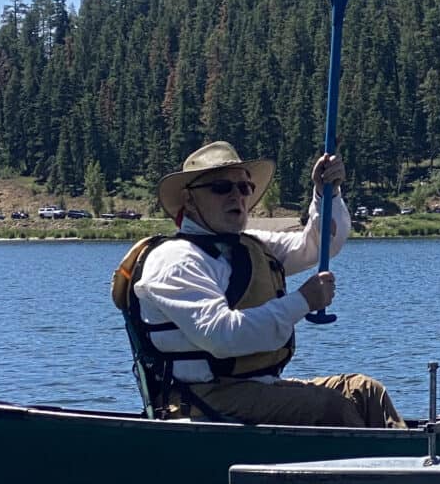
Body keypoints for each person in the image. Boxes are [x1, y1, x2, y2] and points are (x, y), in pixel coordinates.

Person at [129, 140, 402, 427]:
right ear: (188, 200)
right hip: (200, 400)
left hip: (258, 389)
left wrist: (327, 193)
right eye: (222, 187)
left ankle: (411, 462)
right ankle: (376, 468)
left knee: (366, 392)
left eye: (244, 187)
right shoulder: (175, 260)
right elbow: (222, 335)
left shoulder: (251, 246)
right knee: (330, 408)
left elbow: (320, 245)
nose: (237, 196)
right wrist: (303, 301)